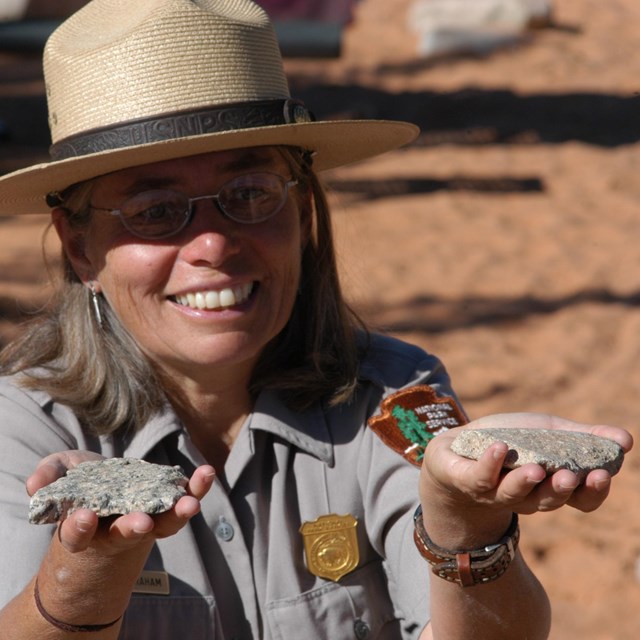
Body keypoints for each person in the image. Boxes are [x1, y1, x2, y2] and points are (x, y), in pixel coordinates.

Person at [0, 1, 632, 638]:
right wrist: (87, 566)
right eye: (155, 210)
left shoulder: (394, 395)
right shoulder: (22, 429)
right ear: (80, 246)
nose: (213, 245)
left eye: (249, 193)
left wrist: (465, 524)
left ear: (302, 212)